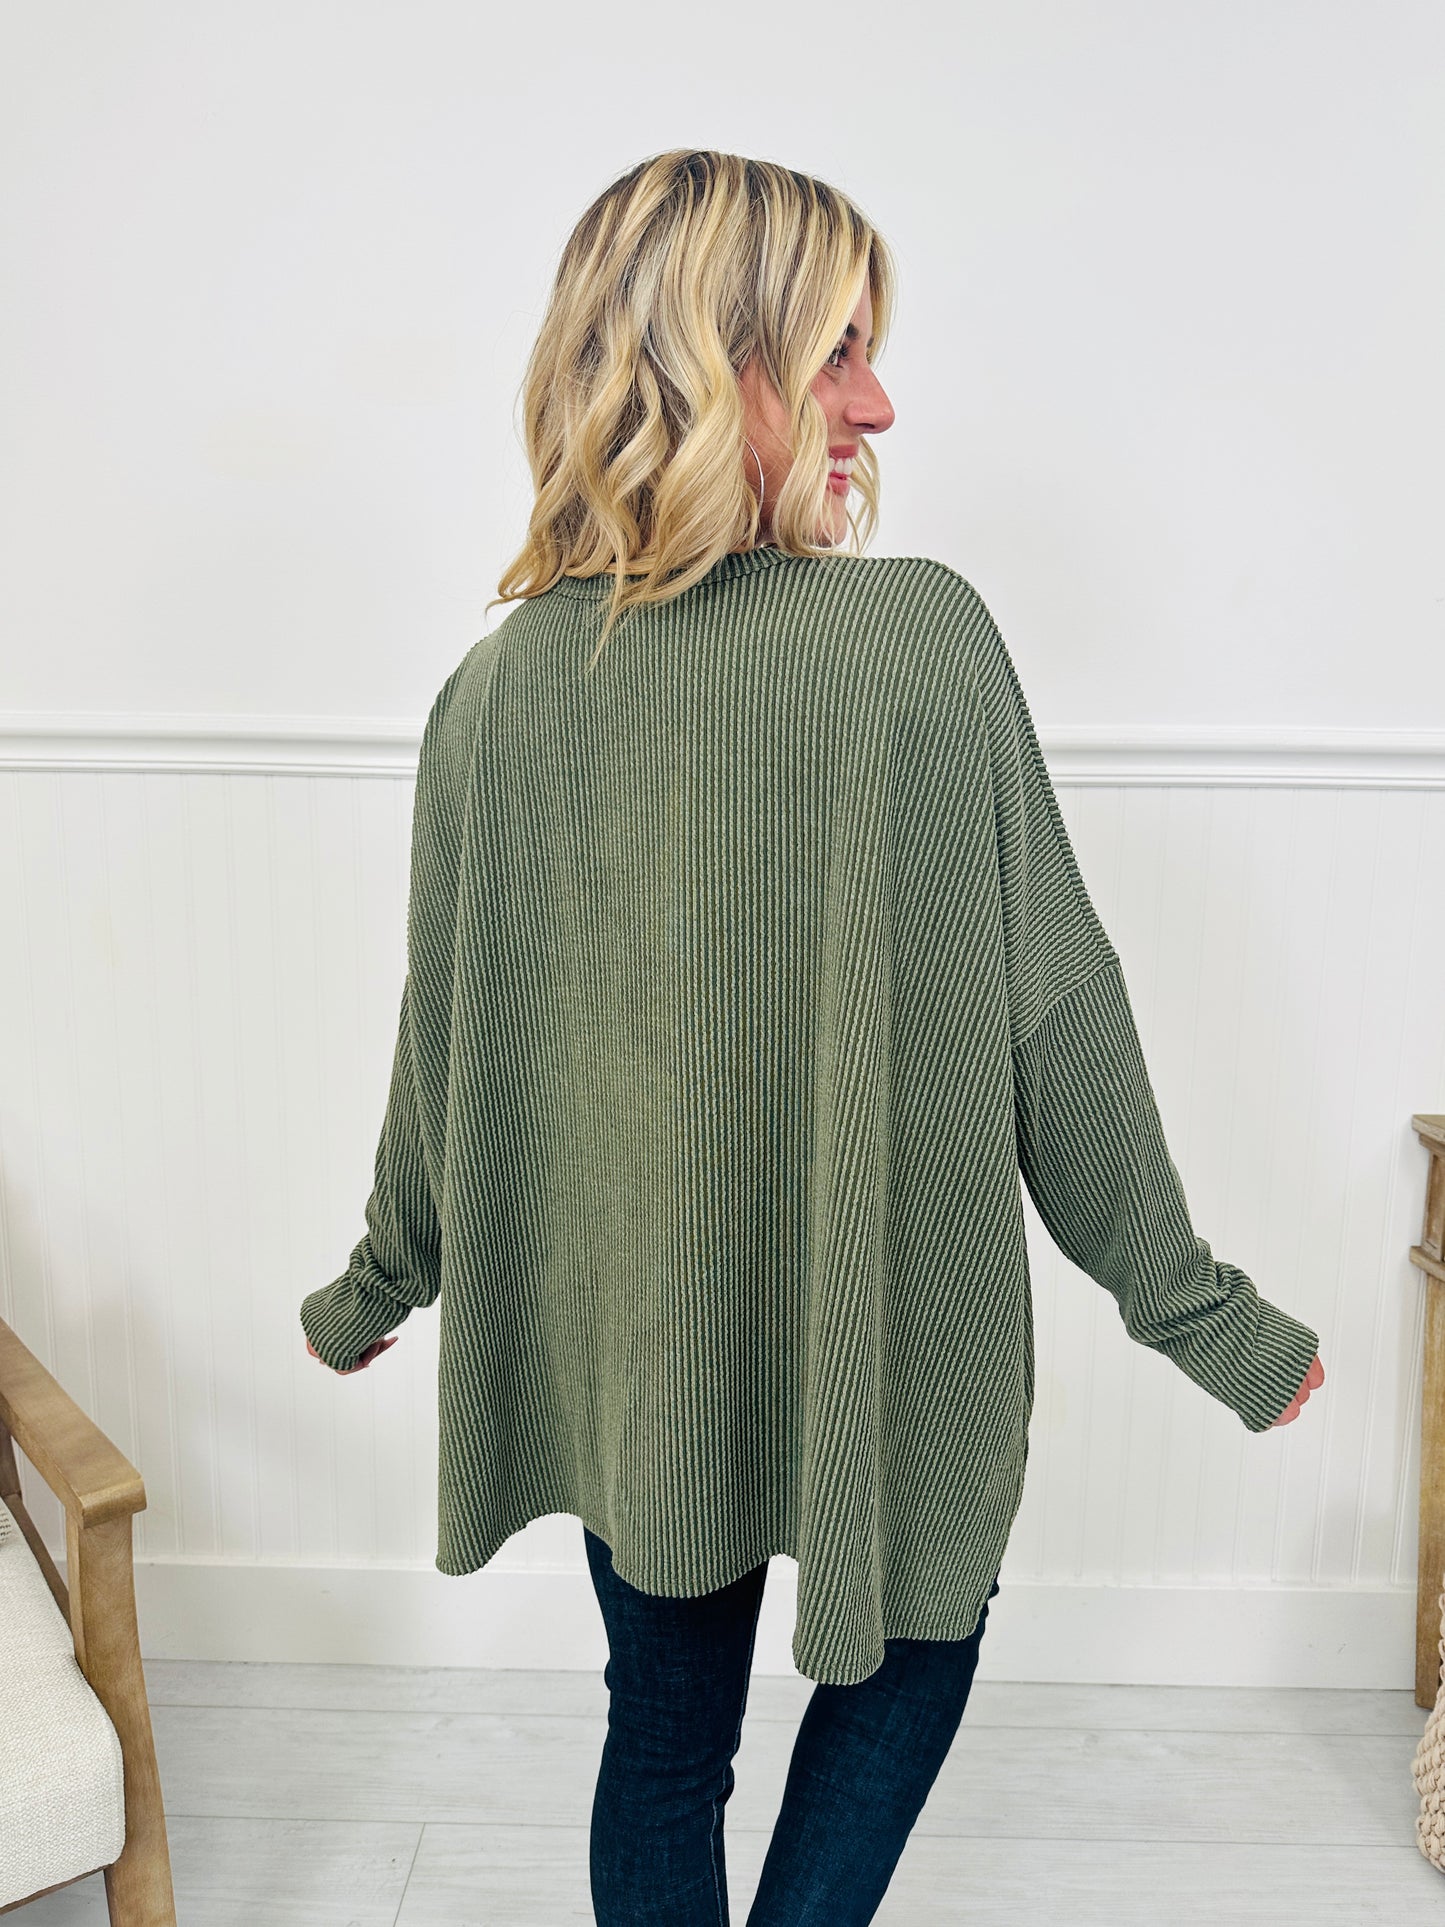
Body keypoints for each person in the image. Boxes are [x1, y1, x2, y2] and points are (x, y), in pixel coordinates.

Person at [300, 149, 1324, 1925]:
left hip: (637, 1340)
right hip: (889, 1320)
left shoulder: (494, 692)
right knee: (905, 1666)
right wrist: (1196, 1310)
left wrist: (386, 1273)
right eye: (836, 349)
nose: (880, 401)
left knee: (662, 1736)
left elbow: (441, 1036)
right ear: (715, 364)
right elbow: (1059, 1007)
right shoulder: (918, 641)